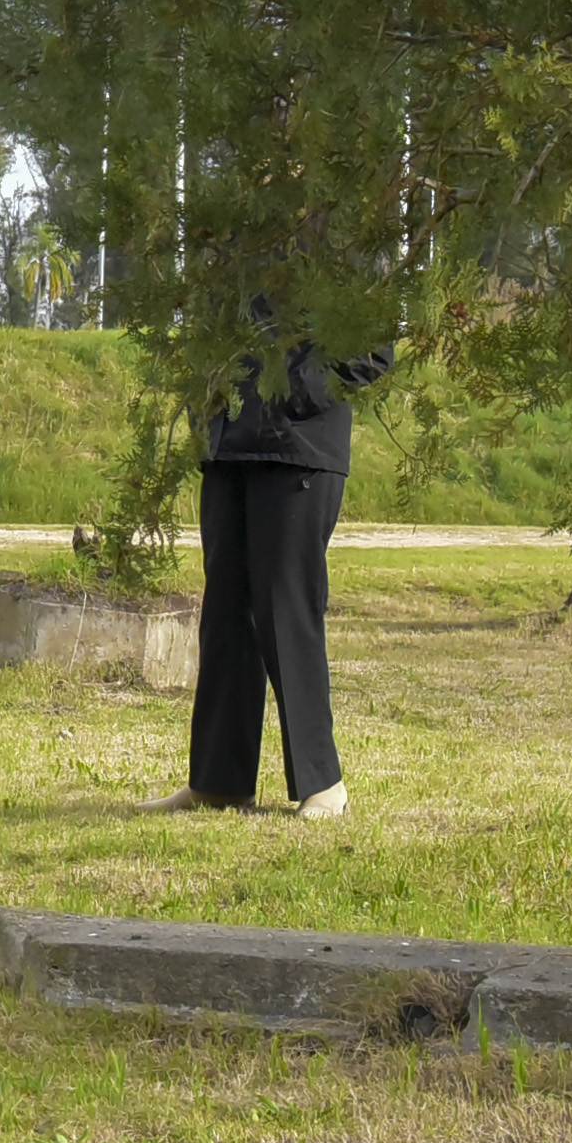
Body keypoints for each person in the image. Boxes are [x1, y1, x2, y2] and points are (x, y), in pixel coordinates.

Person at [144, 331, 392, 820]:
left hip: (300, 444)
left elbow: (374, 348)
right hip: (227, 444)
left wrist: (297, 393)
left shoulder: (338, 268)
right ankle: (218, 782)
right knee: (225, 613)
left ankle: (323, 783)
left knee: (286, 610)